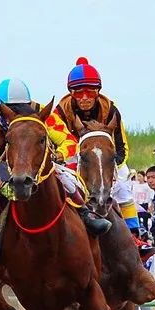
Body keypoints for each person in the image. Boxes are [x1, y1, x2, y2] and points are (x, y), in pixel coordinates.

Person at [0, 78, 110, 260]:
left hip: (35, 161)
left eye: (21, 108)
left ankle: (86, 215)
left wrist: (58, 155)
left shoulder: (41, 113)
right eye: (10, 110)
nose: (17, 113)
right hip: (0, 162)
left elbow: (68, 141)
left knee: (65, 176)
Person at [52, 57, 139, 235]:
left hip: (106, 158)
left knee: (123, 185)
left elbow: (121, 146)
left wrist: (112, 164)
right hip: (72, 156)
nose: (84, 98)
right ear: (71, 93)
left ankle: (137, 234)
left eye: (90, 92)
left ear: (98, 91)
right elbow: (57, 144)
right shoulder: (59, 112)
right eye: (78, 93)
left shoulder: (111, 110)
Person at [132, 171, 154, 237]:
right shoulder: (135, 185)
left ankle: (146, 233)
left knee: (145, 220)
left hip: (144, 204)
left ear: (143, 177)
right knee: (137, 219)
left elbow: (150, 195)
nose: (138, 178)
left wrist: (150, 205)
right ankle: (138, 233)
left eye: (140, 176)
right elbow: (134, 194)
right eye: (137, 176)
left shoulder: (147, 186)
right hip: (137, 204)